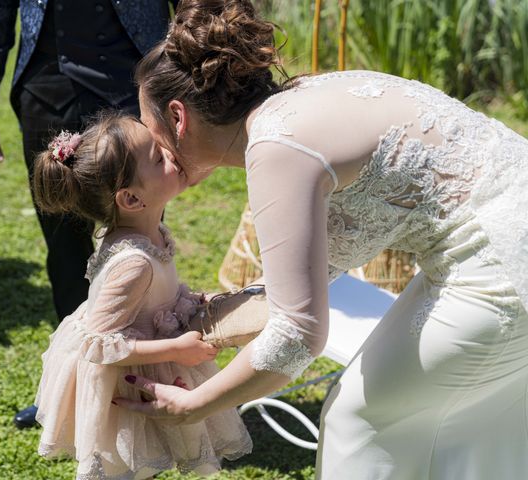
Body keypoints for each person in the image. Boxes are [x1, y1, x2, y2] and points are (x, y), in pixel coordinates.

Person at [114, 0, 528, 478]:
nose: (151, 148)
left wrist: (195, 404)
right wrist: (199, 318)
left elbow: (298, 334)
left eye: (149, 130)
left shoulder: (277, 149)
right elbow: (303, 288)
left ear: (178, 117)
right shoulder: (305, 96)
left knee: (360, 420)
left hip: (499, 267)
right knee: (480, 417)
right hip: (500, 245)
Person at [0, 0, 177, 428]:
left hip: (133, 82)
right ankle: (73, 387)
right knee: (63, 249)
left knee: (142, 246)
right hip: (48, 88)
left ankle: (149, 383)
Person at [32, 112, 252, 479]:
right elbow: (97, 345)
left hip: (146, 362)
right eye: (157, 157)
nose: (170, 152)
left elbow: (151, 301)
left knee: (141, 467)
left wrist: (190, 301)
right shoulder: (133, 262)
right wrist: (175, 350)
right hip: (122, 380)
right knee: (122, 466)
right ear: (131, 198)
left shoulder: (151, 232)